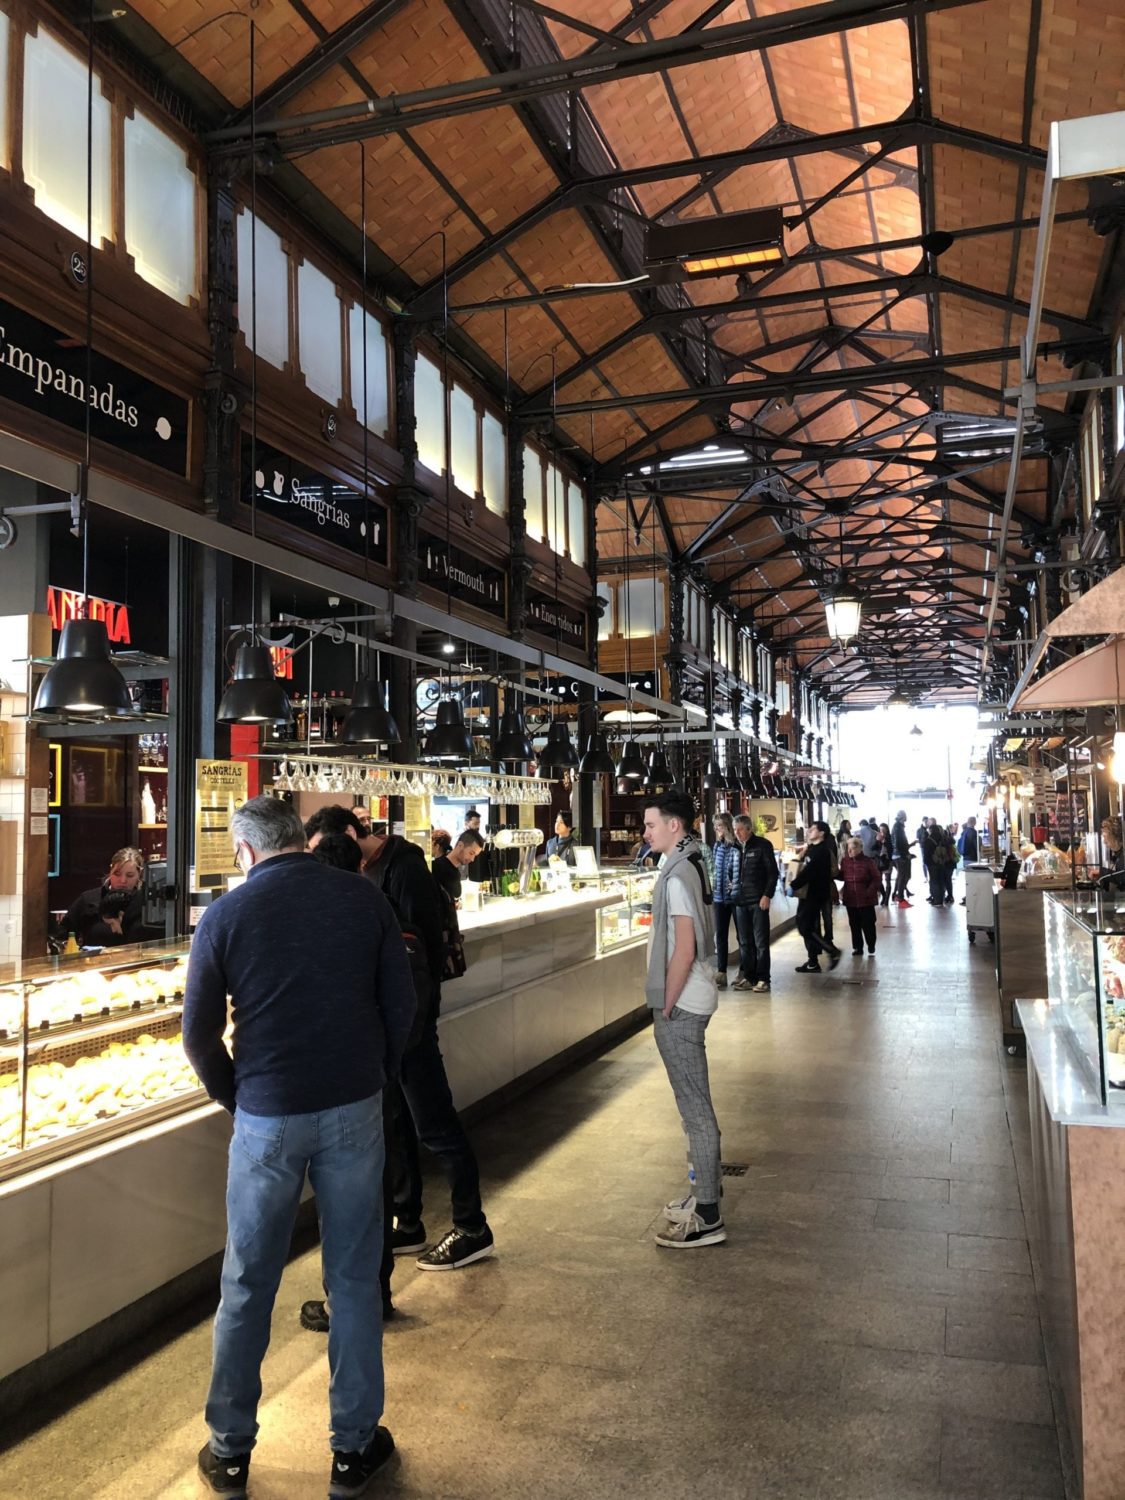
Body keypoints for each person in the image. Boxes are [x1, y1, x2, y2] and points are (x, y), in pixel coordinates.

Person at [183, 797, 415, 1499]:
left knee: (247, 1281)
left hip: (266, 1115)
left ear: (246, 852)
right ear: (300, 839)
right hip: (352, 1107)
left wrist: (241, 1096)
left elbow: (197, 1034)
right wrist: (374, 1074)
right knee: (350, 1279)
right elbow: (399, 1003)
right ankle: (352, 1448)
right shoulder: (360, 897)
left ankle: (228, 1451)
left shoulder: (225, 915)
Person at [306, 807, 494, 1271]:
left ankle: (473, 1227)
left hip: (407, 1027)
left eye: (321, 850)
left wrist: (414, 1026)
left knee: (435, 1124)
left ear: (348, 837)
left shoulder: (401, 867)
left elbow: (420, 953)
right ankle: (408, 1221)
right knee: (396, 1126)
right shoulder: (362, 879)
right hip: (385, 1032)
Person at [642, 791, 725, 1249]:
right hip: (696, 997)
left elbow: (685, 947)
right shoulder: (694, 861)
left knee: (695, 1111)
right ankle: (703, 1193)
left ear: (674, 826)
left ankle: (709, 1214)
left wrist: (666, 1005)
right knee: (695, 1108)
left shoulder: (675, 876)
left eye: (652, 825)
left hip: (684, 1004)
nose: (646, 832)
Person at [60, 847, 149, 947]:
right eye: (117, 874)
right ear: (110, 871)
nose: (123, 880)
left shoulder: (146, 903)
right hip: (95, 961)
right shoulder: (88, 899)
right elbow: (63, 936)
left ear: (139, 875)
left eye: (130, 875)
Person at [730, 813, 778, 993]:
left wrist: (767, 895)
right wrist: (732, 887)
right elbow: (731, 870)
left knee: (760, 942)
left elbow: (773, 873)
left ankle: (763, 978)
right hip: (740, 900)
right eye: (735, 830)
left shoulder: (762, 845)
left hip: (758, 901)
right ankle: (749, 977)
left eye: (740, 829)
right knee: (744, 942)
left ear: (749, 829)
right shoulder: (734, 847)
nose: (737, 833)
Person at [790, 824, 842, 973]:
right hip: (807, 894)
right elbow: (801, 866)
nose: (808, 831)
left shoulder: (822, 851)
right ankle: (814, 960)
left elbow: (810, 872)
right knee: (804, 925)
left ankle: (831, 951)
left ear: (821, 833)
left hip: (816, 894)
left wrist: (793, 885)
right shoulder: (811, 849)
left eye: (812, 829)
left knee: (806, 926)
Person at [710, 812, 741, 989]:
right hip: (719, 897)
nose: (717, 830)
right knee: (720, 935)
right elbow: (715, 868)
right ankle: (721, 971)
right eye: (715, 827)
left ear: (727, 827)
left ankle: (743, 971)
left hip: (734, 897)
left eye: (719, 826)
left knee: (741, 934)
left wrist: (735, 885)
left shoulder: (736, 845)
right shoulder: (717, 846)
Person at [840, 836, 881, 956]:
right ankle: (857, 947)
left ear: (859, 849)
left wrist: (869, 892)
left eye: (852, 848)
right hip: (850, 897)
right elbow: (842, 876)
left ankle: (871, 944)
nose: (849, 851)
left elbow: (876, 878)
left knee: (868, 924)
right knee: (854, 924)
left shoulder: (868, 861)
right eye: (848, 849)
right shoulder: (845, 861)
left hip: (866, 899)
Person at [432, 828, 483, 907]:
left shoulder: (456, 872)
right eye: (471, 853)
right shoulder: (436, 868)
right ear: (460, 845)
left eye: (475, 855)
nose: (472, 859)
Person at [891, 811, 914, 907]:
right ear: (902, 817)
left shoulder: (899, 827)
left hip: (900, 855)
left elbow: (901, 843)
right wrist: (904, 855)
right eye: (905, 815)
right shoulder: (897, 827)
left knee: (903, 876)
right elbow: (897, 844)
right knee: (903, 876)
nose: (906, 817)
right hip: (900, 856)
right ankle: (900, 897)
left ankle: (897, 895)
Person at [874, 821, 894, 907]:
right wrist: (878, 841)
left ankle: (886, 901)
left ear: (887, 830)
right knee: (878, 880)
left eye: (883, 829)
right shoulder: (878, 837)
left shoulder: (890, 838)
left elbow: (891, 849)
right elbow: (874, 848)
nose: (882, 831)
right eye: (880, 829)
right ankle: (884, 895)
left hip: (888, 861)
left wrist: (883, 841)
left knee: (888, 881)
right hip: (879, 862)